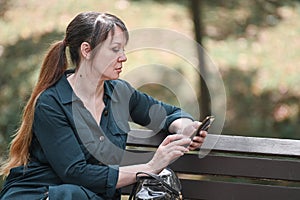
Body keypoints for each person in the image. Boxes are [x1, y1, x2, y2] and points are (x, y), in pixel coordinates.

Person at [0, 11, 207, 200]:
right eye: (115, 49)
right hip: (41, 194)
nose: (123, 57)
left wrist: (185, 127)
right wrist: (150, 167)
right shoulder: (51, 103)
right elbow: (75, 173)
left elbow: (167, 114)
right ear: (86, 50)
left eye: (123, 49)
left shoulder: (119, 93)